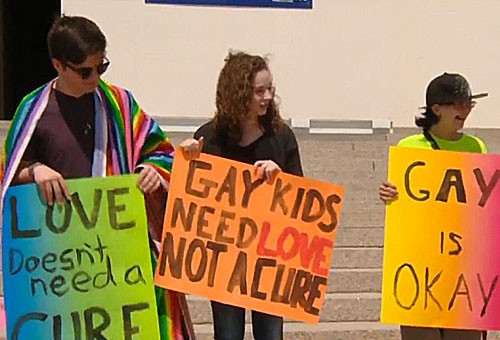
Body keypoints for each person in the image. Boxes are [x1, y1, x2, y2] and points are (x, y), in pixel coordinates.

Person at [0, 15, 193, 340]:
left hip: (120, 253)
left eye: (102, 67)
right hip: (63, 260)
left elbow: (160, 151)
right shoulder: (34, 110)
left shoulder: (120, 104)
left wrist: (151, 172)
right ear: (58, 65)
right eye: (86, 71)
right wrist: (34, 171)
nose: (95, 78)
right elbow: (8, 174)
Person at [179, 51, 303, 340]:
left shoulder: (281, 136)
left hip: (269, 259)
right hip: (225, 261)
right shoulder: (208, 137)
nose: (268, 96)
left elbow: (302, 197)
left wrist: (280, 176)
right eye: (259, 91)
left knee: (271, 336)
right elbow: (189, 202)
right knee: (227, 335)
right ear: (238, 92)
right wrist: (188, 161)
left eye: (270, 89)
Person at [379, 72, 488, 340]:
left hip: (463, 271)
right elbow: (404, 207)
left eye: (469, 104)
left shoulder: (477, 147)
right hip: (422, 269)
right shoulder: (410, 147)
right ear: (437, 109)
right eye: (459, 104)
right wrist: (390, 193)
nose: (466, 110)